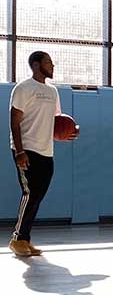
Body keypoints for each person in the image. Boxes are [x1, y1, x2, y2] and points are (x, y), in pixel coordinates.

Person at [8, 51, 79, 257]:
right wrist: (20, 151)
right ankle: (17, 238)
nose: (53, 65)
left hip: (46, 150)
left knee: (38, 196)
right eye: (49, 62)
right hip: (26, 149)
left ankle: (25, 239)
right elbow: (14, 120)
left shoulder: (53, 91)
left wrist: (69, 131)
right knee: (30, 193)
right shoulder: (23, 88)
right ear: (36, 65)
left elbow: (56, 122)